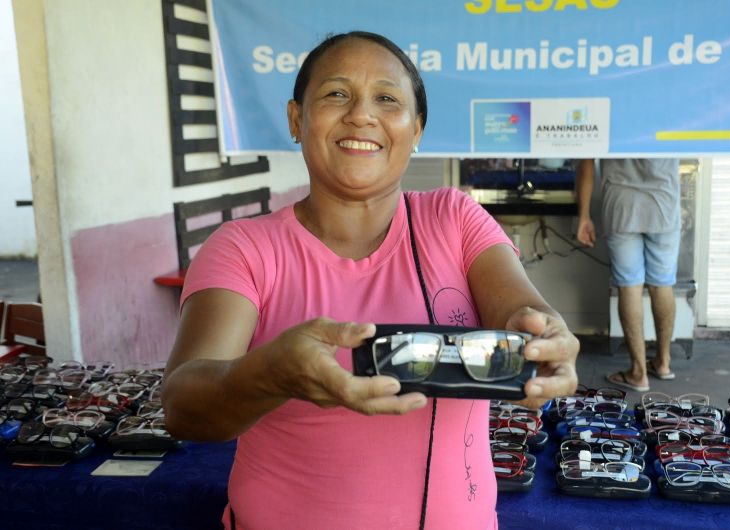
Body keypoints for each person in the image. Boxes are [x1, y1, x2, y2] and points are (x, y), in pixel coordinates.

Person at [162, 31, 579, 530]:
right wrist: (269, 375)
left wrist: (541, 338)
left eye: (387, 98)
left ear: (417, 128)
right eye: (336, 94)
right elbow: (183, 406)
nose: (361, 114)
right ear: (297, 119)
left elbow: (518, 308)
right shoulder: (243, 247)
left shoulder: (454, 216)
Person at [575, 158, 681, 393]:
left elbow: (586, 163)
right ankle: (663, 363)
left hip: (622, 207)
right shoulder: (671, 119)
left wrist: (583, 216)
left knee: (629, 287)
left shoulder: (610, 118)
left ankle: (638, 373)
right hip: (664, 204)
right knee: (662, 285)